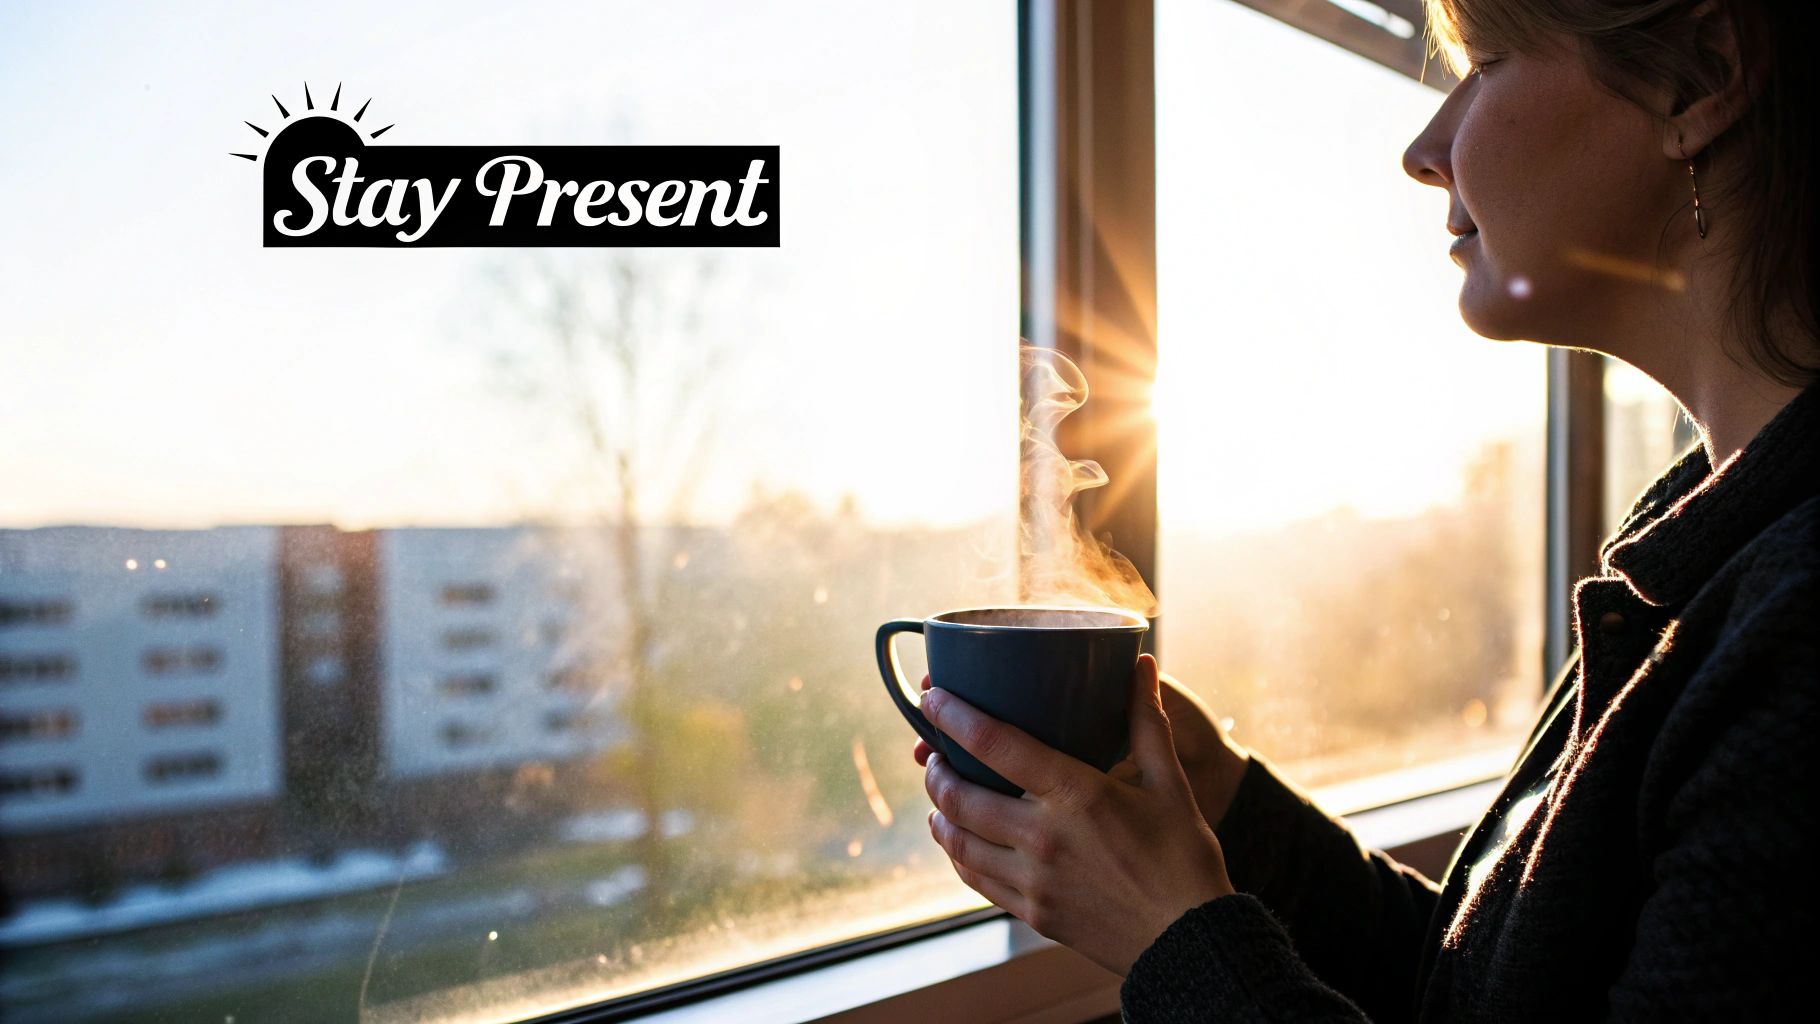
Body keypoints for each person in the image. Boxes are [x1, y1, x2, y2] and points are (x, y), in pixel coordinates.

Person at [912, 0, 1819, 1018]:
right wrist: (1221, 806)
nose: (1422, 150)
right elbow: (1483, 995)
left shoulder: (1797, 623)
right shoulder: (1701, 533)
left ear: (1695, 79)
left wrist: (1171, 938)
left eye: (1484, 65)